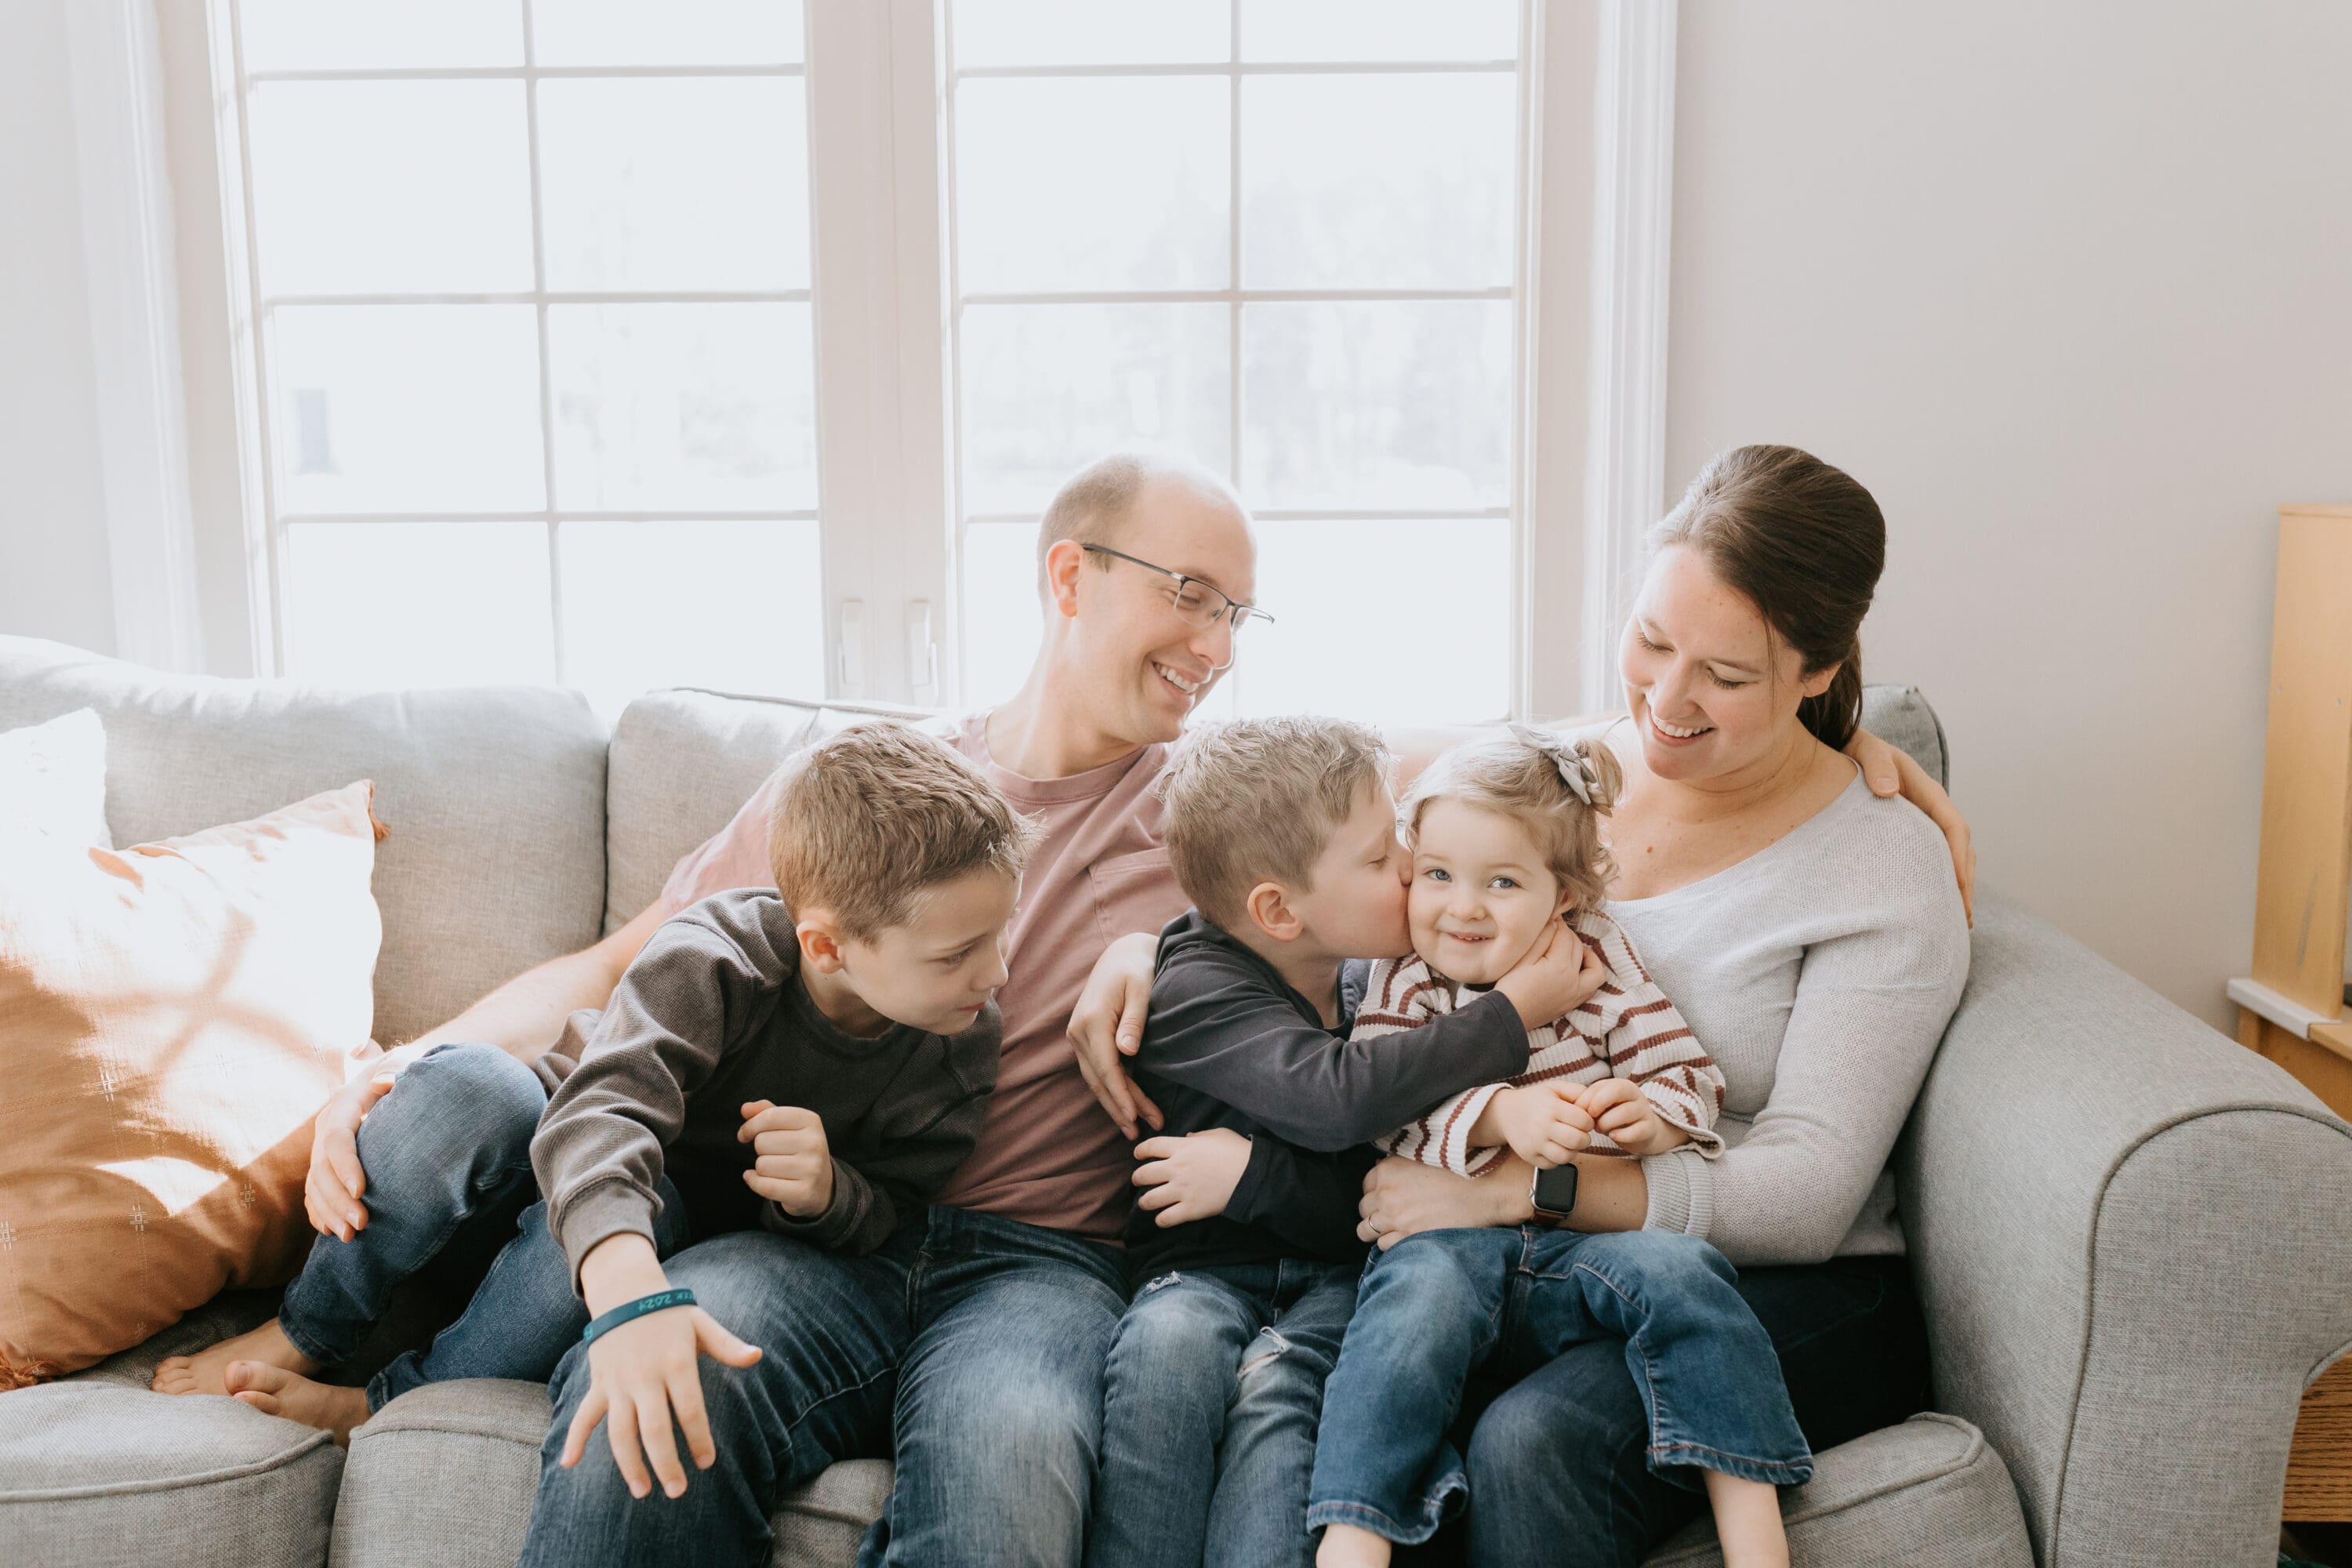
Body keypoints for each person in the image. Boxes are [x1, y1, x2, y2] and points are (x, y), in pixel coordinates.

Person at [275, 448, 1968, 1568]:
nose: (1220, 642)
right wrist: (408, 1056)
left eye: (1242, 611)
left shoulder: (1231, 818)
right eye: (1190, 595)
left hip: (1045, 1263)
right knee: (661, 1399)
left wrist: (1865, 745)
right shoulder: (866, 789)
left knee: (1012, 1473)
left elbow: (1470, 822)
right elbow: (621, 959)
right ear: (1069, 575)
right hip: (805, 1234)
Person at [1335, 445, 1974, 1566]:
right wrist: (1152, 947)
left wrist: (1511, 1193)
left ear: (1817, 673)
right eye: (1652, 641)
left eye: (1727, 676)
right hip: (1567, 1260)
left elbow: (1814, 1193)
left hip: (1793, 1287)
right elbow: (1288, 820)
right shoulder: (1545, 781)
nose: (1668, 701)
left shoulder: (1880, 864)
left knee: (1535, 1439)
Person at [154, 723, 1030, 1466]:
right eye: (958, 953)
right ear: (829, 946)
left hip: (602, 1252)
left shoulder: (960, 1037)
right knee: (467, 1082)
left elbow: (897, 1208)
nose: (995, 974)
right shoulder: (719, 956)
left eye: (998, 935)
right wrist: (628, 1281)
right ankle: (310, 1326)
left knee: (656, 1211)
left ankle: (390, 1403)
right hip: (535, 1164)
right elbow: (601, 1114)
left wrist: (830, 1192)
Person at [1085, 717, 1606, 1568]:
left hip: (1336, 1273)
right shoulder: (1193, 988)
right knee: (1166, 1357)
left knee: (1285, 1398)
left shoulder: (1379, 982)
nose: (1410, 866)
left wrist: (1256, 1175)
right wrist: (1512, 1011)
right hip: (1205, 1276)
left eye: (1401, 835)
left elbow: (1374, 1185)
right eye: (1380, 858)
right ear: (1278, 910)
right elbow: (1335, 1102)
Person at [1307, 728, 1806, 1568]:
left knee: (1690, 1276)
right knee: (1403, 1320)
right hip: (1450, 1251)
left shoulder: (1602, 957)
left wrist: (1652, 1115)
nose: (1461, 907)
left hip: (1582, 1251)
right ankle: (1355, 1536)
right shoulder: (1404, 974)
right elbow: (1384, 1113)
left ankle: (1751, 1517)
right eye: (1437, 874)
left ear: (1565, 894)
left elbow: (1686, 1071)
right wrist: (1500, 1113)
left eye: (1500, 882)